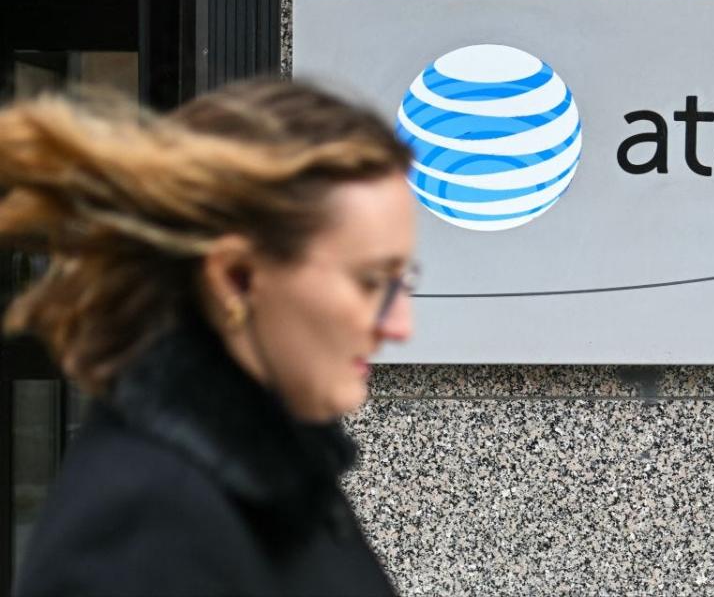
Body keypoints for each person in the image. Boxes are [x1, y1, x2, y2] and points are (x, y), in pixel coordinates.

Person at [3, 79, 417, 596]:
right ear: (236, 277)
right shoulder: (148, 523)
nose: (401, 325)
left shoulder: (271, 479)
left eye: (404, 281)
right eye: (372, 282)